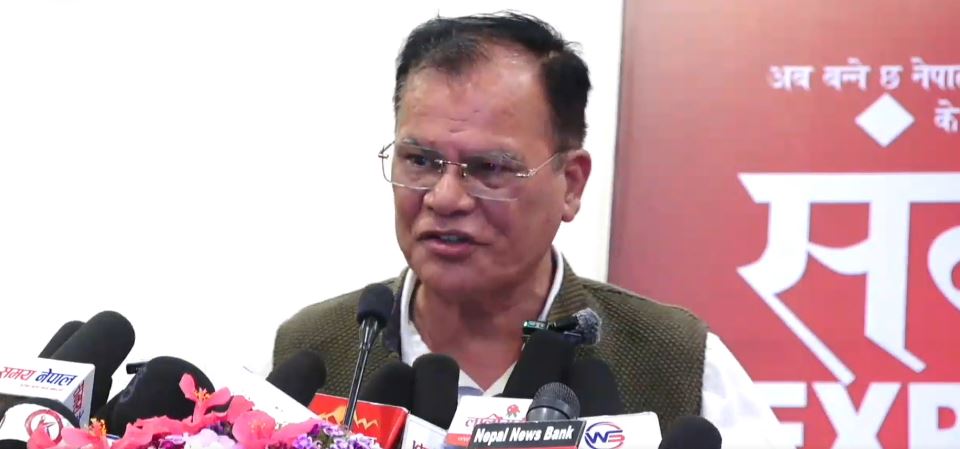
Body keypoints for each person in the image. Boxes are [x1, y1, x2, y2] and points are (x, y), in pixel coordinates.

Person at [274, 11, 786, 446]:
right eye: (421, 161)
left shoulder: (679, 362)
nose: (445, 198)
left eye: (491, 168)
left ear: (571, 184)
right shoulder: (308, 352)